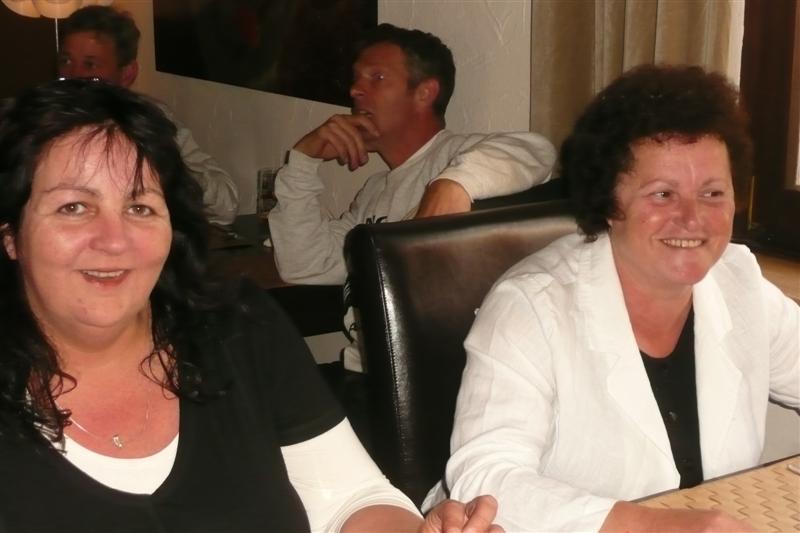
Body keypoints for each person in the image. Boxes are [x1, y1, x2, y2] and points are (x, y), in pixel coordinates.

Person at [0, 78, 504, 533]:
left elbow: (347, 498)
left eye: (139, 206)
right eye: (73, 207)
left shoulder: (236, 327)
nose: (114, 240)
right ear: (11, 236)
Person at [424, 64, 800, 532]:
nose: (692, 218)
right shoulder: (531, 305)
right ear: (609, 202)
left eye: (712, 193)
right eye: (662, 194)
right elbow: (485, 479)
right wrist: (653, 526)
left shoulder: (738, 280)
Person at [268, 23, 557, 286]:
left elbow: (536, 149)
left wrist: (452, 184)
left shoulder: (456, 157)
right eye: (356, 79)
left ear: (424, 93)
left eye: (377, 77)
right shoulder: (374, 191)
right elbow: (305, 266)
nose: (355, 90)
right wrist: (303, 161)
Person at [57, 5, 240, 225]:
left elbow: (225, 207)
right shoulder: (44, 121)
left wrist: (165, 165)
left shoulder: (151, 119)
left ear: (127, 74)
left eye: (90, 65)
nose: (74, 75)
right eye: (67, 61)